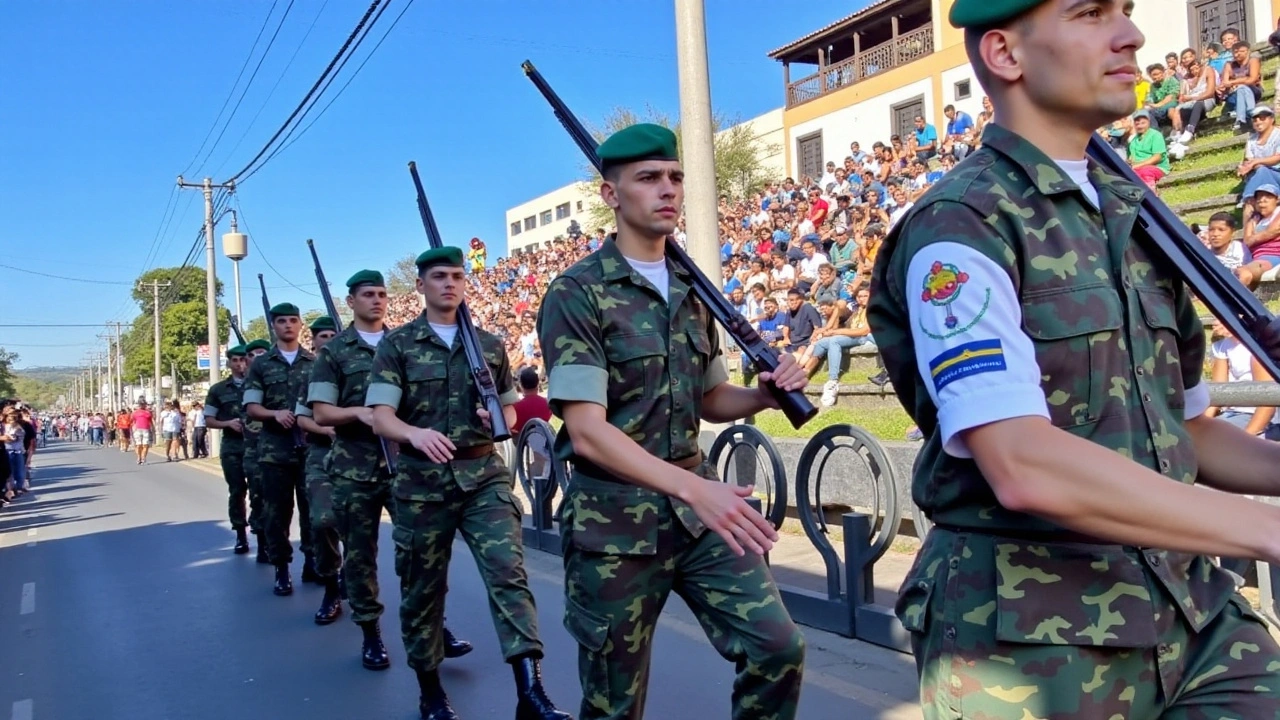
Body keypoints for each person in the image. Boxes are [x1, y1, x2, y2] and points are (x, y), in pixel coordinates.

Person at [866, 1, 1280, 717]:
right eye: (1091, 14)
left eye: (1124, 11)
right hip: (1030, 643)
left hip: (1192, 614)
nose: (1132, 34)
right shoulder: (961, 225)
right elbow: (1022, 463)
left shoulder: (1134, 218)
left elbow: (1183, 429)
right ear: (1005, 54)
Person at [537, 123, 808, 720]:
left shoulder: (693, 290)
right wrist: (694, 488)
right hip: (614, 523)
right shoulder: (577, 292)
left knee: (777, 647)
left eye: (676, 177)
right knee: (614, 702)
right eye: (649, 178)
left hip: (696, 513)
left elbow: (711, 399)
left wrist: (762, 395)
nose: (668, 189)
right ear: (611, 195)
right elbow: (586, 429)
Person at [366, 248, 570, 720]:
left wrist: (498, 414)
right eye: (439, 276)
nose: (449, 284)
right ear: (420, 285)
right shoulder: (398, 345)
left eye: (457, 276)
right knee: (423, 588)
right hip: (422, 484)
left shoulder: (489, 345)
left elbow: (512, 408)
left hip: (483, 478)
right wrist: (414, 432)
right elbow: (381, 417)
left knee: (508, 577)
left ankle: (530, 693)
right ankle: (431, 690)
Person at [309, 270, 474, 672]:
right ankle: (371, 634)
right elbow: (320, 413)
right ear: (351, 301)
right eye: (368, 294)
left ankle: (436, 627)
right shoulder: (335, 352)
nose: (377, 301)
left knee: (421, 556)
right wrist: (360, 413)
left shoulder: (407, 342)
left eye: (382, 294)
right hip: (354, 470)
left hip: (406, 468)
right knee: (361, 557)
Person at [244, 303, 316, 597]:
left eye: (293, 320)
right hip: (275, 451)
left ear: (301, 325)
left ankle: (313, 562)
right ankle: (282, 568)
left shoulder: (314, 363)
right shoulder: (261, 365)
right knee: (277, 513)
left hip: (310, 449)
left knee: (313, 512)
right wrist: (274, 414)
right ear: (273, 326)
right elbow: (251, 407)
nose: (288, 325)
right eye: (281, 321)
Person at [293, 316, 343, 624]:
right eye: (322, 335)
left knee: (361, 530)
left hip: (363, 457)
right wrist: (328, 431)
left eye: (333, 334)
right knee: (323, 520)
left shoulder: (365, 365)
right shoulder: (311, 374)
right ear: (313, 341)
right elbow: (302, 418)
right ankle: (330, 584)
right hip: (322, 456)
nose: (328, 340)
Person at [204, 345, 252, 555]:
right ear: (229, 363)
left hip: (260, 447)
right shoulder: (218, 390)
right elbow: (209, 420)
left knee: (262, 492)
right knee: (237, 491)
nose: (240, 364)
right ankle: (241, 534)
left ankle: (264, 532)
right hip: (233, 447)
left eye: (244, 359)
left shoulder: (259, 385)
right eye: (236, 360)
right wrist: (227, 424)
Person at [242, 338, 272, 562]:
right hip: (254, 451)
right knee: (259, 498)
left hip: (282, 448)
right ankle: (262, 543)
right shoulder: (242, 386)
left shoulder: (276, 380)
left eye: (262, 354)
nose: (257, 359)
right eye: (253, 355)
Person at [131, 399, 154, 465]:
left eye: (143, 404)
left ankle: (143, 458)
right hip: (137, 430)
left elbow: (151, 421)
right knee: (138, 445)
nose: (142, 405)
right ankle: (139, 457)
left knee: (145, 445)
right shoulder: (135, 412)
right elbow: (132, 421)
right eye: (141, 404)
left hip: (146, 430)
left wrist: (153, 429)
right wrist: (133, 429)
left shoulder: (148, 412)